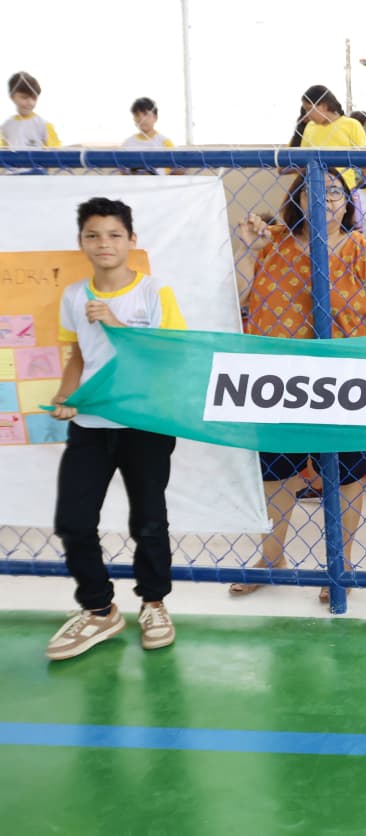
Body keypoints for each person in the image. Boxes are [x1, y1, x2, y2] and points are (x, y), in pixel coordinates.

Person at [44, 197, 186, 660]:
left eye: (113, 235)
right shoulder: (73, 296)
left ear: (131, 240)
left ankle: (154, 603)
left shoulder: (154, 292)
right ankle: (99, 609)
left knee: (149, 520)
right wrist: (66, 396)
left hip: (145, 422)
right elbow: (78, 357)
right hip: (91, 424)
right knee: (73, 521)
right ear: (81, 242)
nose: (103, 243)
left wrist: (118, 323)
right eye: (93, 235)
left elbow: (168, 355)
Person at [232, 170, 366, 605]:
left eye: (335, 192)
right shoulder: (272, 243)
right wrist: (247, 245)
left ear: (347, 203)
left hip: (346, 378)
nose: (326, 198)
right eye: (314, 190)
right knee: (277, 471)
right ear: (297, 200)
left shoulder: (362, 249)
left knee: (345, 473)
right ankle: (271, 558)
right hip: (281, 377)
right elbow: (239, 297)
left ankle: (340, 564)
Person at [3, 71, 60, 148]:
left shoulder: (44, 126)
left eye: (34, 98)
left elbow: (57, 152)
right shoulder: (6, 127)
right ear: (12, 97)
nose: (30, 103)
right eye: (24, 97)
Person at [121, 97, 176, 175]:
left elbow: (177, 168)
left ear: (155, 117)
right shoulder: (127, 143)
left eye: (145, 114)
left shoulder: (165, 142)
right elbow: (122, 170)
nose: (142, 119)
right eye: (137, 115)